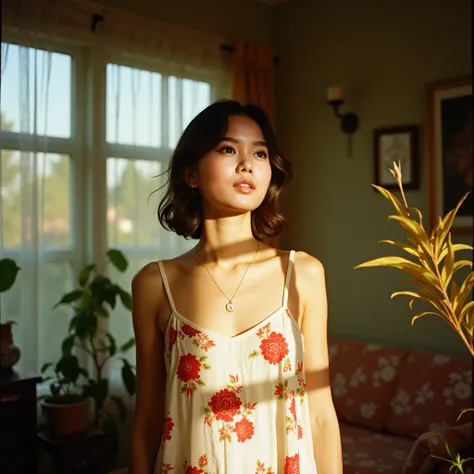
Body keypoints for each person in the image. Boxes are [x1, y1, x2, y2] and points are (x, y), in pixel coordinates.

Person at [130, 100, 342, 474]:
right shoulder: (154, 284)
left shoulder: (302, 273)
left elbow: (321, 415)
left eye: (260, 153)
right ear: (191, 173)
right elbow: (147, 419)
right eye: (228, 149)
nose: (247, 164)